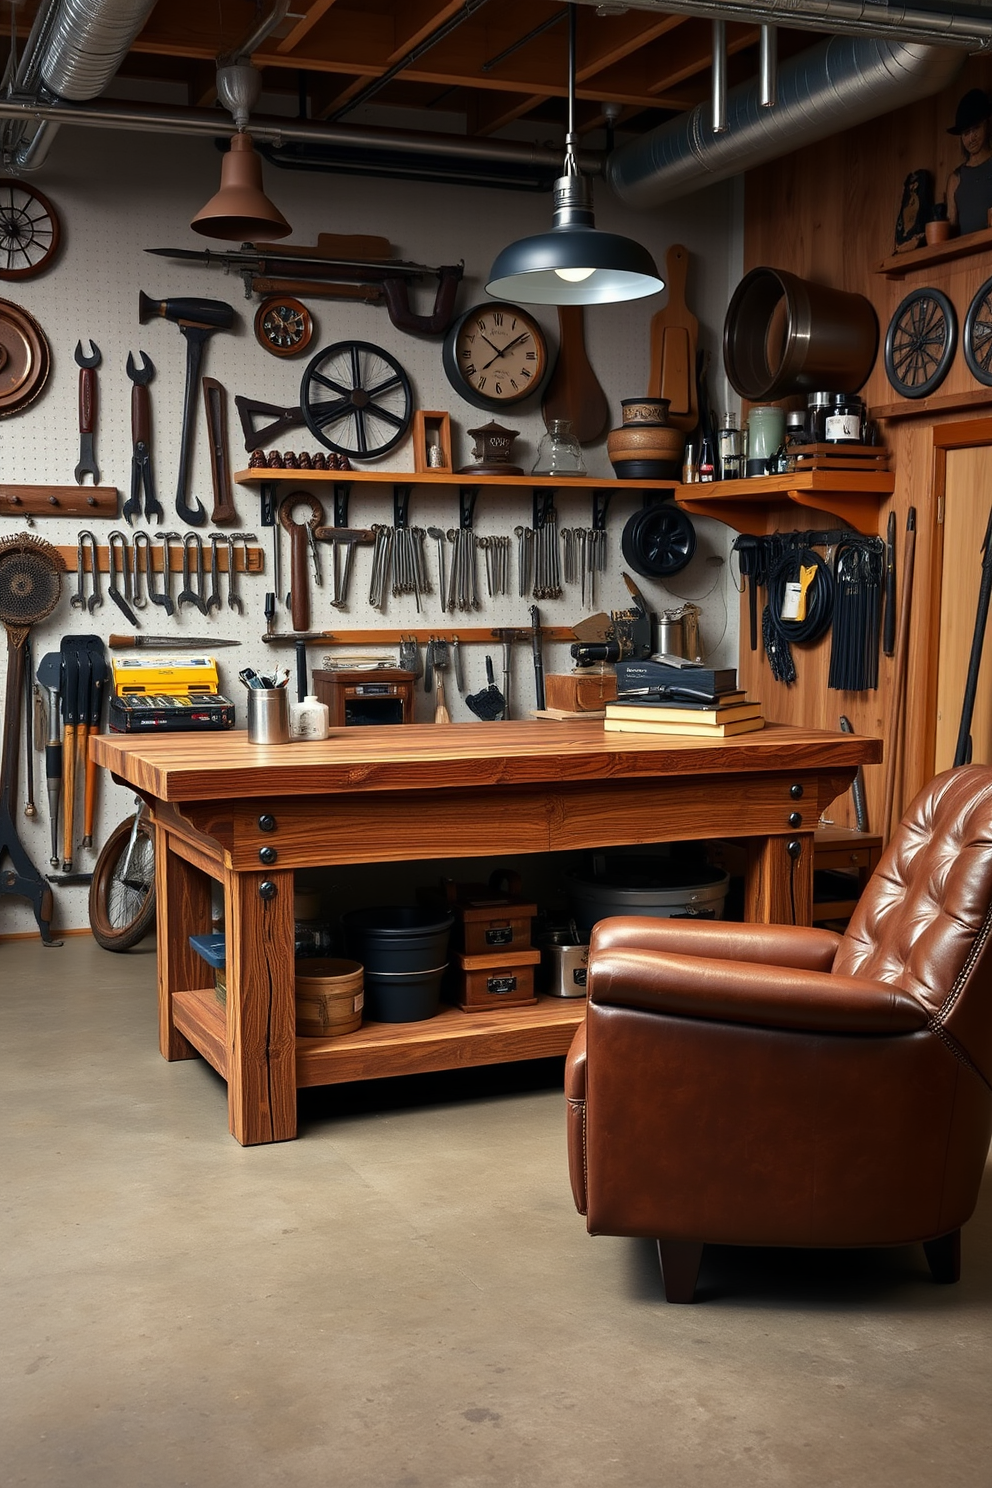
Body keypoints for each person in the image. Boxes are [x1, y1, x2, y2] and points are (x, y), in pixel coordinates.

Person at [946, 88, 992, 235]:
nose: (971, 138)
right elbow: (951, 227)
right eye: (966, 133)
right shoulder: (955, 179)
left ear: (987, 124)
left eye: (976, 128)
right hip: (968, 256)